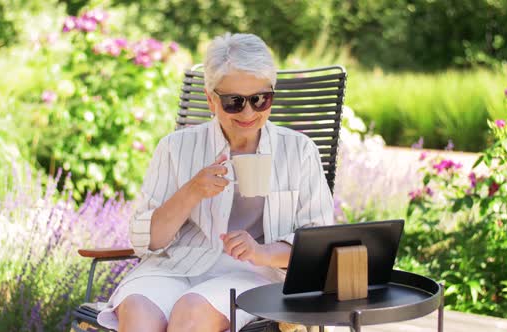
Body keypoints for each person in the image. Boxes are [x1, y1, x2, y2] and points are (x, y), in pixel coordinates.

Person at [97, 32, 334, 332]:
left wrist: (261, 251)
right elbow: (147, 241)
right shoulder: (175, 147)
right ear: (211, 99)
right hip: (175, 267)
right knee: (138, 314)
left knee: (191, 313)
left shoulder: (299, 151)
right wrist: (192, 191)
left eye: (260, 99)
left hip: (254, 273)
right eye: (234, 102)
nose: (249, 113)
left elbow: (319, 243)